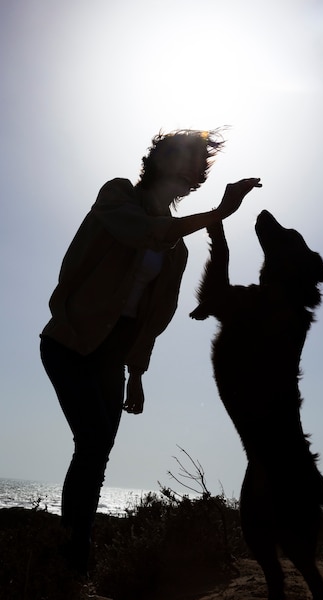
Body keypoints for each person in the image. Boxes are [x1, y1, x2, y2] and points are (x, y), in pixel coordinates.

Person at [39, 128, 261, 575]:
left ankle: (72, 570)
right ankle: (71, 568)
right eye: (183, 156)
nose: (190, 167)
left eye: (196, 162)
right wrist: (219, 212)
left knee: (96, 454)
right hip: (68, 342)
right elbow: (144, 232)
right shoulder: (117, 195)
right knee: (93, 443)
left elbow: (151, 320)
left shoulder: (177, 250)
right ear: (159, 160)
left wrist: (136, 374)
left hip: (112, 356)